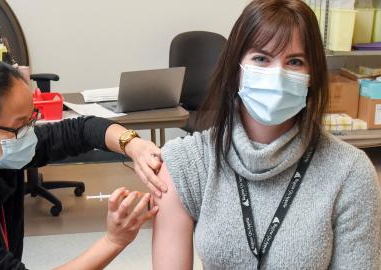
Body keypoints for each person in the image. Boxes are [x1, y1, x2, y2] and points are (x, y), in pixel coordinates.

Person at [152, 0, 381, 269]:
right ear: (236, 68)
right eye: (261, 58)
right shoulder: (187, 163)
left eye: (295, 61)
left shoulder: (350, 172)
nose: (277, 75)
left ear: (312, 76)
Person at [0, 58, 165, 269]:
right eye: (19, 126)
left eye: (32, 119)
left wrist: (133, 144)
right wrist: (113, 240)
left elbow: (82, 129)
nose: (29, 133)